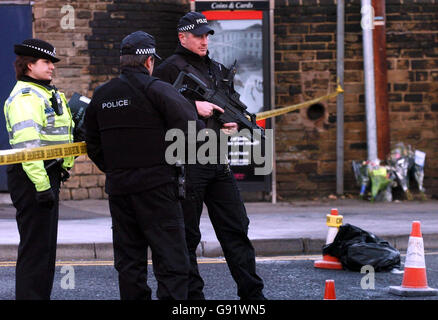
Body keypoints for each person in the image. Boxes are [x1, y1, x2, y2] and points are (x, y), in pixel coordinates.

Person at [154, 12, 266, 300]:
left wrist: (231, 122)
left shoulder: (216, 68)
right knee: (187, 236)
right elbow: (158, 113)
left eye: (207, 35)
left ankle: (253, 295)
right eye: (198, 35)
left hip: (217, 158)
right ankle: (193, 299)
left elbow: (225, 109)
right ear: (182, 37)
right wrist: (194, 106)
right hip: (185, 159)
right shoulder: (167, 69)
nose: (204, 41)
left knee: (236, 228)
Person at [85, 31, 203, 300]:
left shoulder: (102, 94)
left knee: (129, 262)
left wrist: (116, 168)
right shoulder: (158, 90)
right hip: (158, 189)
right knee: (172, 261)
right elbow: (193, 130)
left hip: (120, 190)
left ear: (123, 61)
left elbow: (92, 143)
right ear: (149, 61)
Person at [4, 39, 75, 300]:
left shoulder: (45, 91)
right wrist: (43, 186)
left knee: (44, 249)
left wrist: (64, 166)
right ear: (29, 65)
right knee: (36, 250)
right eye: (46, 62)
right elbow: (28, 146)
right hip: (33, 177)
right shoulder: (26, 96)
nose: (52, 67)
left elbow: (58, 134)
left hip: (46, 174)